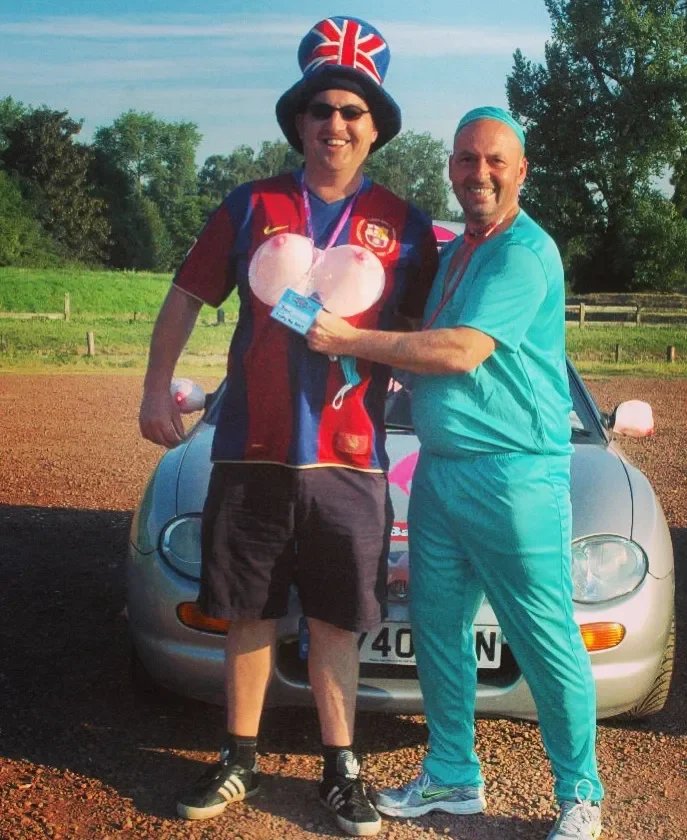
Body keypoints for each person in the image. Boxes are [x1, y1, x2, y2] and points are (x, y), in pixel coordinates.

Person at [138, 16, 437, 837]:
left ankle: (341, 772)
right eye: (321, 110)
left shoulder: (406, 225)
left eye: (352, 112)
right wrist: (156, 386)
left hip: (353, 464)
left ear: (375, 129)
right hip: (252, 451)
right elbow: (187, 297)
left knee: (340, 621)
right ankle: (239, 759)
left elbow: (430, 338)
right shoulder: (250, 204)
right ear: (298, 121)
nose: (334, 125)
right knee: (248, 612)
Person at [306, 106, 604, 840]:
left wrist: (349, 339)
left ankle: (580, 794)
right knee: (438, 630)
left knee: (544, 638)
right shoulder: (458, 252)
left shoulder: (523, 254)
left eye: (495, 161)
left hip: (515, 478)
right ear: (451, 169)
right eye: (467, 160)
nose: (479, 174)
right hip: (441, 472)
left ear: (522, 171)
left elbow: (458, 351)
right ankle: (452, 776)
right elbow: (418, 331)